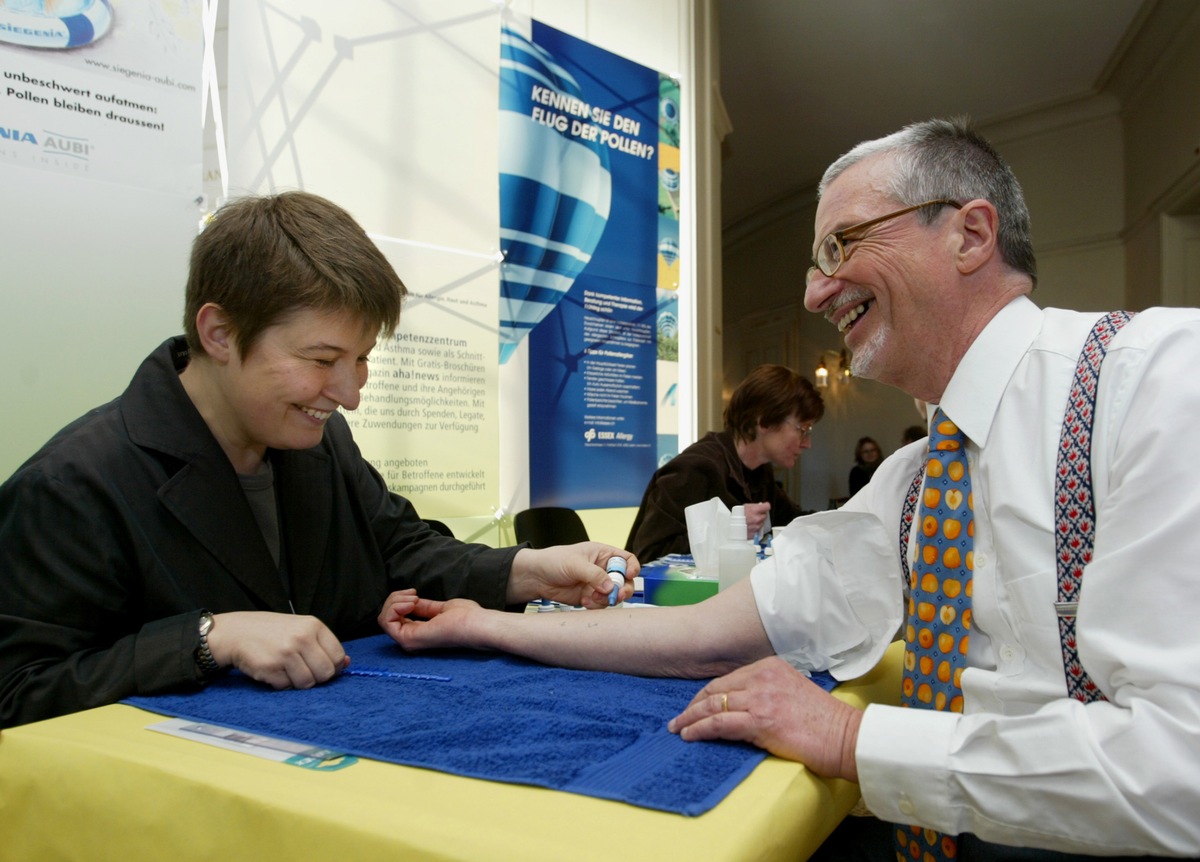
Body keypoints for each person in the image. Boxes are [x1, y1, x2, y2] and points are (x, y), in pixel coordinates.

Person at [377, 118, 1200, 859]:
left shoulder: (1159, 380)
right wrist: (489, 623)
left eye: (841, 245)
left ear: (969, 234)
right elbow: (698, 636)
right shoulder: (913, 484)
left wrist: (850, 740)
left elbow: (1179, 774)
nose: (813, 293)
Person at [0, 191, 635, 730]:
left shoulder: (318, 441)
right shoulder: (73, 484)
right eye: (321, 360)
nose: (351, 394)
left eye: (360, 359)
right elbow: (20, 688)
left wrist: (528, 571)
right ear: (220, 333)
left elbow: (399, 548)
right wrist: (208, 639)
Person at [623, 363, 823, 562]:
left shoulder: (759, 472)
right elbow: (647, 554)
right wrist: (730, 528)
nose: (808, 444)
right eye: (802, 430)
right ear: (765, 422)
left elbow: (795, 521)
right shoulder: (694, 469)